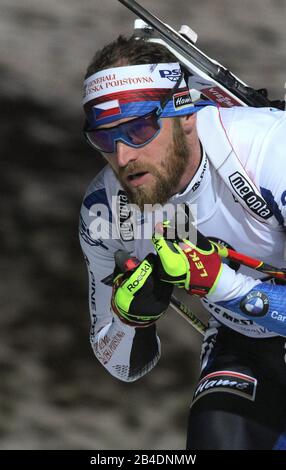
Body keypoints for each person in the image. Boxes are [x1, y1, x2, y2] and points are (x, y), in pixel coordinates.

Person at [79, 34, 286, 450]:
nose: (122, 157)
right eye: (104, 138)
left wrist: (223, 287)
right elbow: (119, 364)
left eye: (137, 129)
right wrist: (129, 318)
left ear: (185, 115)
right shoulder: (106, 211)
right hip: (244, 342)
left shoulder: (268, 150)